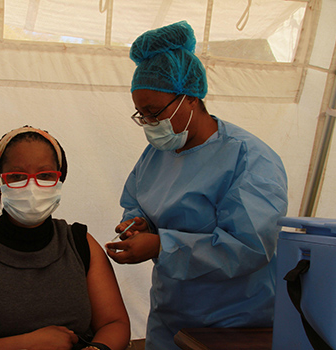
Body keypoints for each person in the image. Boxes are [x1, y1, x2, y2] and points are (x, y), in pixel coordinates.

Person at [104, 21, 288, 350]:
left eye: (153, 112)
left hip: (236, 323)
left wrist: (161, 247)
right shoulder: (157, 155)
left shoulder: (248, 159)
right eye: (140, 114)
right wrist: (137, 223)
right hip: (170, 318)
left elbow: (250, 247)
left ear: (190, 98)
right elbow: (138, 201)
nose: (149, 123)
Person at [0, 126, 130, 350]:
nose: (32, 187)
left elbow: (114, 323)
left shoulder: (80, 244)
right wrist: (27, 344)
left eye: (45, 176)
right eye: (16, 176)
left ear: (60, 179)